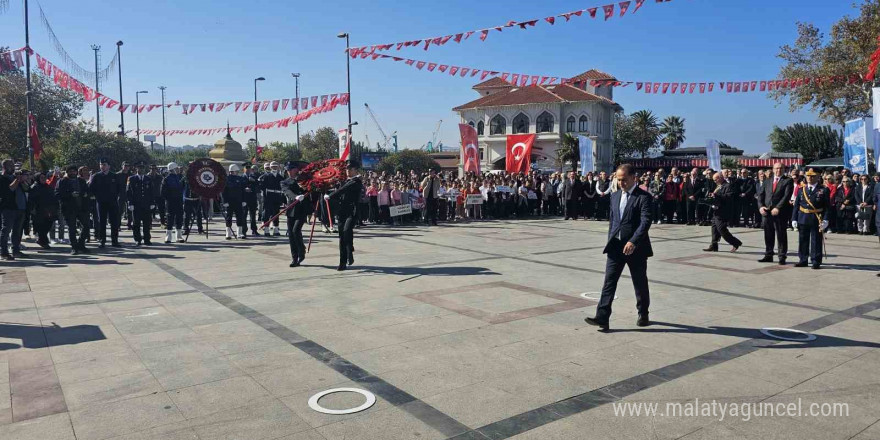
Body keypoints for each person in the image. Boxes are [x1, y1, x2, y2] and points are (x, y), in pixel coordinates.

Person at [584, 164, 653, 332]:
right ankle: (602, 317)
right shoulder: (614, 196)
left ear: (633, 178)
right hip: (616, 247)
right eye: (618, 179)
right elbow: (613, 222)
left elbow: (645, 222)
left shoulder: (643, 197)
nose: (621, 183)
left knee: (639, 282)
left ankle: (643, 312)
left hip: (635, 248)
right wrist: (610, 240)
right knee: (609, 282)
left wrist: (634, 241)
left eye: (624, 180)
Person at [325, 160, 363, 271]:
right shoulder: (344, 181)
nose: (348, 171)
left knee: (347, 231)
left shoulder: (356, 181)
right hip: (342, 211)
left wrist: (330, 196)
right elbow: (337, 188)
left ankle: (349, 249)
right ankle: (342, 262)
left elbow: (343, 190)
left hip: (352, 211)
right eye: (347, 169)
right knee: (342, 237)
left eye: (350, 169)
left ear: (356, 170)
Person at [791, 168, 829, 269]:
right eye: (808, 175)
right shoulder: (801, 189)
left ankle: (816, 260)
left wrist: (826, 219)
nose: (810, 178)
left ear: (817, 177)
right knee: (803, 239)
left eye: (812, 176)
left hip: (817, 218)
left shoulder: (823, 190)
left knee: (816, 240)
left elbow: (827, 207)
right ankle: (803, 259)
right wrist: (794, 219)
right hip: (803, 217)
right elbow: (796, 205)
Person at [757, 163, 794, 264]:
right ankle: (768, 254)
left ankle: (782, 256)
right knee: (768, 234)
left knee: (781, 234)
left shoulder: (788, 180)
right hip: (767, 212)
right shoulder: (767, 181)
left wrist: (778, 207)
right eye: (776, 168)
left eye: (781, 168)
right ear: (773, 169)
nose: (779, 170)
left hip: (780, 212)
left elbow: (786, 196)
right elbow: (761, 195)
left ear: (784, 169)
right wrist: (761, 207)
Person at [282, 161, 313, 267]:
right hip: (291, 209)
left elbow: (311, 188)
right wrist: (295, 196)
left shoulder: (304, 179)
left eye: (292, 169)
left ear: (296, 169)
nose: (290, 172)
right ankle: (294, 258)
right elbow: (287, 191)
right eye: (288, 170)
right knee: (291, 234)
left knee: (296, 230)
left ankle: (301, 252)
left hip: (302, 210)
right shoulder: (285, 182)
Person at [55, 165, 91, 254]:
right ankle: (74, 247)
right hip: (69, 209)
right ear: (67, 172)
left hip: (81, 208)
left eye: (74, 171)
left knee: (86, 226)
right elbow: (57, 194)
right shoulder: (62, 181)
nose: (72, 173)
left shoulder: (81, 181)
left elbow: (87, 191)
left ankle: (81, 244)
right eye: (70, 171)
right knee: (72, 228)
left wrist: (85, 194)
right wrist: (70, 194)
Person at [704, 172, 742, 253]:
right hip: (716, 211)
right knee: (714, 229)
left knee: (721, 229)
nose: (714, 181)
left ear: (720, 178)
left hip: (723, 211)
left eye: (715, 180)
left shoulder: (728, 186)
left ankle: (736, 242)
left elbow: (729, 197)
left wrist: (717, 196)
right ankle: (714, 245)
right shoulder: (718, 186)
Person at [88, 158, 121, 248]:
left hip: (112, 202)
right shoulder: (96, 176)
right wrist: (96, 196)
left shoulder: (114, 176)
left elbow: (119, 189)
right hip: (101, 202)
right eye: (101, 164)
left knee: (114, 222)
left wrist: (116, 197)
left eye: (104, 164)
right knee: (101, 222)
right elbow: (91, 189)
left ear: (109, 166)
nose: (102, 166)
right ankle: (102, 240)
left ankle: (115, 241)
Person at [0, 159, 28, 260]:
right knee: (6, 230)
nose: (12, 167)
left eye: (13, 165)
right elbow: (10, 189)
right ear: (4, 167)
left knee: (17, 231)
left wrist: (23, 179)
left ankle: (16, 250)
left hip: (20, 208)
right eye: (10, 165)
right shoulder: (2, 178)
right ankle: (4, 252)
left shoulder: (15, 177)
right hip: (8, 208)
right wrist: (17, 179)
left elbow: (26, 188)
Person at [126, 163, 154, 246]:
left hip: (146, 204)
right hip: (136, 205)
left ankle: (147, 239)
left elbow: (151, 191)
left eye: (142, 168)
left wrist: (152, 202)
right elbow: (129, 192)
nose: (141, 170)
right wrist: (130, 203)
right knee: (136, 223)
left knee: (147, 223)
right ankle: (137, 239)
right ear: (136, 169)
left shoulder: (148, 178)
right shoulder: (131, 178)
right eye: (139, 168)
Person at [29, 172, 57, 249]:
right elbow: (32, 199)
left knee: (48, 225)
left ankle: (42, 240)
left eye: (44, 177)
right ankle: (43, 241)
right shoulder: (35, 187)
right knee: (41, 227)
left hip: (49, 209)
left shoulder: (47, 186)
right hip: (38, 210)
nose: (43, 179)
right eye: (41, 177)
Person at [161, 162, 185, 244]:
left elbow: (183, 188)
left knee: (179, 218)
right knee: (170, 219)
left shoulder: (180, 178)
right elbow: (163, 192)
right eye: (176, 168)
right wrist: (169, 198)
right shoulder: (166, 179)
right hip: (171, 202)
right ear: (173, 169)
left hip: (179, 201)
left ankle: (179, 236)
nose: (178, 169)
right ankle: (168, 237)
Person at [259, 161, 285, 236]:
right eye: (273, 166)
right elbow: (262, 187)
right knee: (267, 213)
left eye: (275, 166)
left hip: (277, 196)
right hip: (268, 196)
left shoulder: (280, 177)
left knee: (276, 213)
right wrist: (264, 196)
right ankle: (266, 229)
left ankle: (275, 228)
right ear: (270, 167)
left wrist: (282, 198)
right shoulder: (266, 176)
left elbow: (283, 188)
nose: (274, 168)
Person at [222, 164, 247, 240]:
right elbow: (224, 191)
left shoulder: (240, 179)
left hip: (238, 201)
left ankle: (239, 233)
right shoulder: (226, 179)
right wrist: (225, 201)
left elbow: (243, 191)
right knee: (228, 217)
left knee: (240, 217)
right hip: (229, 201)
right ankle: (228, 233)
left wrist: (244, 200)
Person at [242, 164, 260, 237]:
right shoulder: (241, 177)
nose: (248, 170)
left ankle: (254, 230)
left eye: (249, 169)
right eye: (247, 168)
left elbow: (258, 185)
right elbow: (239, 187)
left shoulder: (253, 177)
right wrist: (244, 189)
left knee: (253, 215)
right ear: (244, 169)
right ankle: (244, 230)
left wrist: (254, 181)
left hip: (252, 198)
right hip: (245, 198)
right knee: (244, 215)